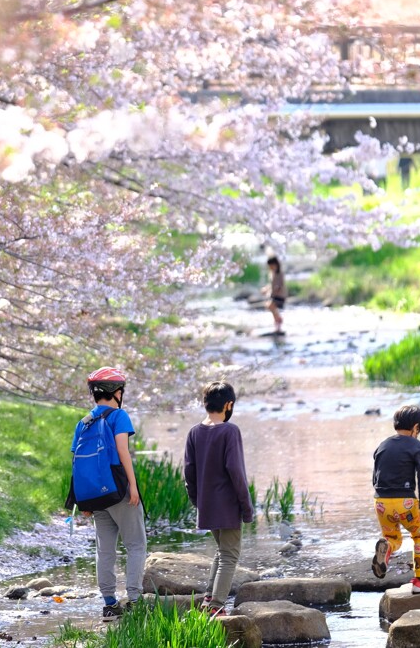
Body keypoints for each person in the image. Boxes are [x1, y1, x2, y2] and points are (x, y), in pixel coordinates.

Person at [74, 367, 146, 622]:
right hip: (119, 492)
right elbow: (123, 452)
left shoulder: (83, 423)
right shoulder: (119, 416)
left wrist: (82, 499)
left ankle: (109, 605)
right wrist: (133, 487)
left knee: (105, 551)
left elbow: (77, 462)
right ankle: (135, 601)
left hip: (95, 496)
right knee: (136, 545)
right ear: (116, 392)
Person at [183, 381, 253, 618]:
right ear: (228, 405)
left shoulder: (194, 432)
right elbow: (236, 472)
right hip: (227, 505)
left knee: (222, 551)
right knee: (230, 555)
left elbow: (188, 474)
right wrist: (247, 507)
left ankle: (207, 599)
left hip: (207, 506)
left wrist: (197, 501)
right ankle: (217, 606)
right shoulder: (229, 431)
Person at [371, 405, 420, 594]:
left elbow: (374, 478)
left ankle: (386, 549)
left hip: (381, 502)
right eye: (419, 431)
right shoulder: (417, 446)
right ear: (415, 428)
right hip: (405, 503)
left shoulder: (382, 445)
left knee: (392, 537)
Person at [262, 256, 287, 335]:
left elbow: (280, 284)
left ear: (275, 264)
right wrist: (266, 289)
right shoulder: (272, 273)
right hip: (274, 295)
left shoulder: (279, 273)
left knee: (270, 306)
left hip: (279, 296)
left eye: (271, 265)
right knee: (269, 307)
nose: (270, 267)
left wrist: (277, 289)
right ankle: (277, 323)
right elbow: (271, 285)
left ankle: (278, 321)